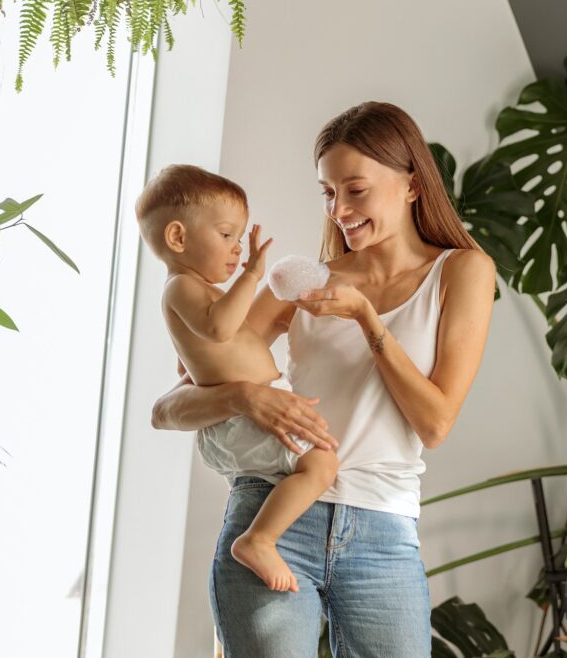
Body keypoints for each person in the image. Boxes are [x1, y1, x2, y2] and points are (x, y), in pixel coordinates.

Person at [150, 101, 497, 657]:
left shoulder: (461, 272)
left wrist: (365, 317)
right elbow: (169, 405)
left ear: (411, 185)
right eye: (328, 192)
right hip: (271, 518)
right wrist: (246, 396)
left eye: (355, 190)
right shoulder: (301, 280)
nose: (339, 209)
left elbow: (434, 423)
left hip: (382, 535)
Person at [135, 164, 341, 593]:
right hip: (240, 417)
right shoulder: (180, 288)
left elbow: (220, 341)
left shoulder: (200, 291)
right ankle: (258, 540)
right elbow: (221, 329)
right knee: (320, 463)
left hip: (251, 409)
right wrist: (251, 276)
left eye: (238, 237)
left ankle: (261, 537)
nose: (235, 249)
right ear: (178, 238)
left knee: (317, 462)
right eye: (227, 235)